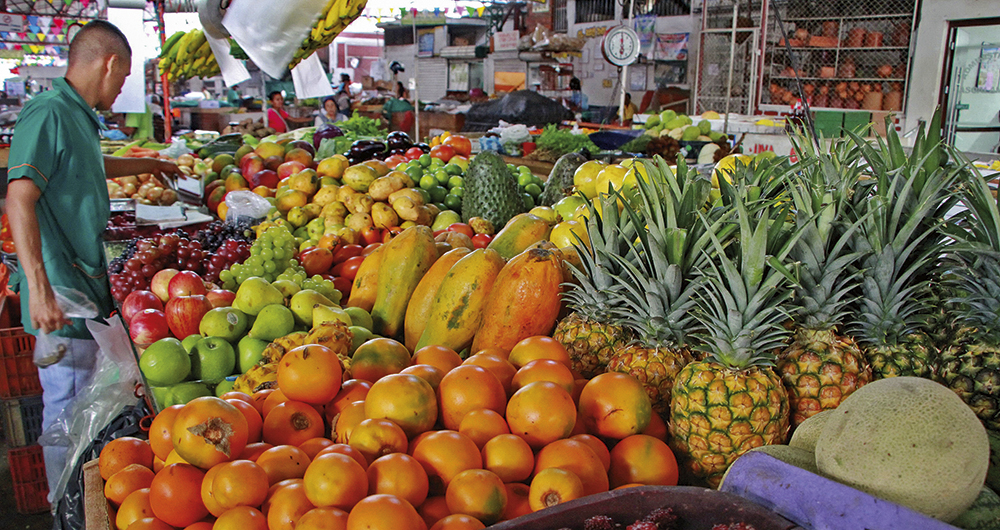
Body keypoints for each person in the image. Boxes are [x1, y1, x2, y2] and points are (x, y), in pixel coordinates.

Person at [5, 20, 182, 496]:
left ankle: (75, 500)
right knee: (66, 408)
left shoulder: (76, 114)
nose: (122, 87)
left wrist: (151, 163)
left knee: (83, 406)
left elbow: (86, 165)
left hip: (81, 284)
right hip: (60, 291)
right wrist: (40, 289)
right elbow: (19, 197)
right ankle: (61, 506)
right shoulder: (48, 111)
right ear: (110, 63)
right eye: (123, 77)